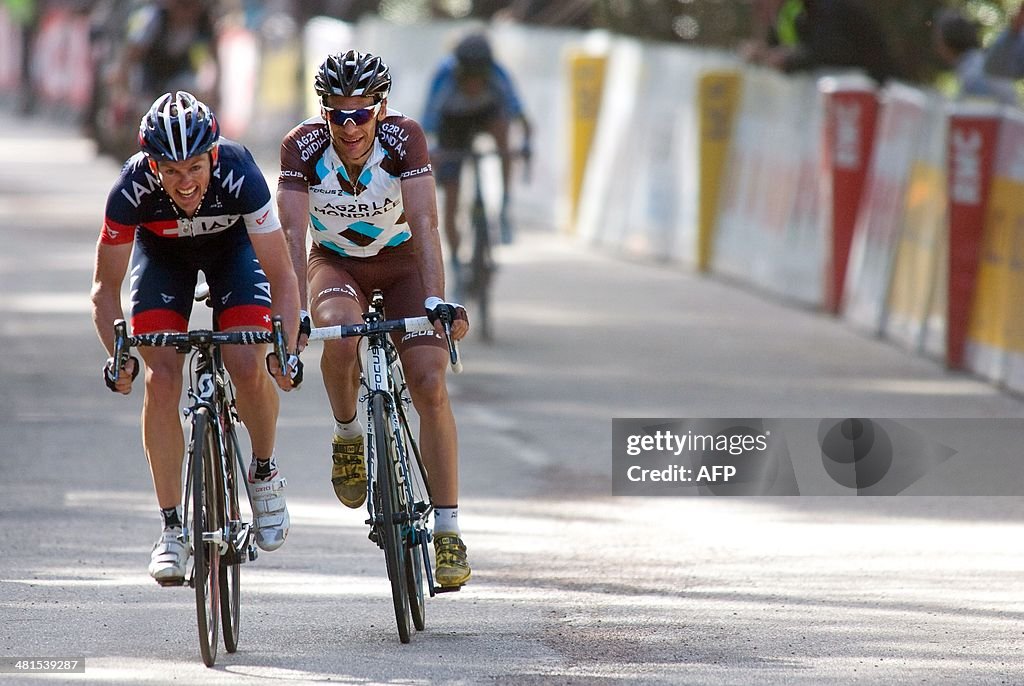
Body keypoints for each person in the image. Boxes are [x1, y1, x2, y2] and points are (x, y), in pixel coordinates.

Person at [277, 50, 472, 588]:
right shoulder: (302, 146)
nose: (349, 126)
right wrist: (290, 312)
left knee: (430, 383)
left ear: (380, 110)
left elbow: (427, 222)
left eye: (361, 113)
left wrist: (436, 300)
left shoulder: (404, 138)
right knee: (338, 334)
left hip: (404, 264)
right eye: (337, 114)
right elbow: (293, 235)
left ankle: (449, 529)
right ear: (324, 113)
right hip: (336, 263)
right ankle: (347, 434)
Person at [91, 91, 302, 583]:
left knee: (246, 362)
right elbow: (104, 291)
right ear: (153, 164)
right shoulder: (131, 188)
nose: (185, 183)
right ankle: (170, 528)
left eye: (194, 168)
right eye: (171, 171)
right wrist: (118, 357)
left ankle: (265, 472)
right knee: (160, 378)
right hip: (164, 257)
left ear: (212, 155)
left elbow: (284, 276)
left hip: (233, 251)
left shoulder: (240, 172)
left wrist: (287, 351)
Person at [422, 32, 532, 270]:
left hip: (486, 116)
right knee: (451, 194)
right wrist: (432, 152)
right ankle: (455, 262)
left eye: (479, 77)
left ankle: (504, 206)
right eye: (467, 78)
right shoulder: (445, 75)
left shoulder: (497, 73)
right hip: (452, 125)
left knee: (503, 130)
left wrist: (524, 146)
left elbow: (519, 113)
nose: (473, 84)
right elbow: (429, 121)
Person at [750, 0, 897, 85]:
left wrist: (790, 60)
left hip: (874, 92)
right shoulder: (794, 11)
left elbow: (832, 51)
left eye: (759, 4)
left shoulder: (826, 6)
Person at [934, 9, 1020, 106]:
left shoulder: (973, 75)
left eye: (939, 40)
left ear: (949, 41)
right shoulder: (977, 62)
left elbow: (980, 115)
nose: (937, 48)